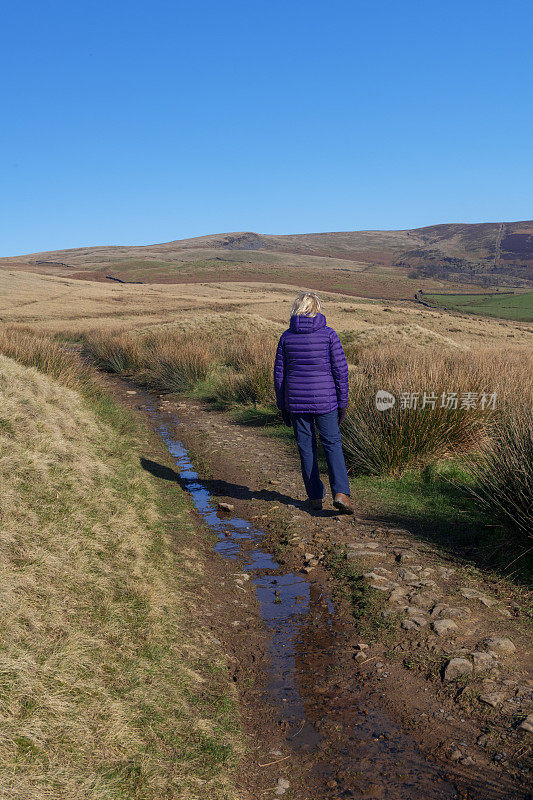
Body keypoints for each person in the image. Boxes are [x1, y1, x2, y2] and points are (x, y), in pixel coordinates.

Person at [273, 291, 353, 513]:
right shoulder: (329, 335)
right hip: (326, 402)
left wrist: (283, 406)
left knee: (306, 449)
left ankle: (315, 498)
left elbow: (279, 376)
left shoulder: (286, 337)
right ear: (317, 308)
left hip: (297, 403)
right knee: (332, 445)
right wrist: (342, 403)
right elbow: (341, 372)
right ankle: (341, 494)